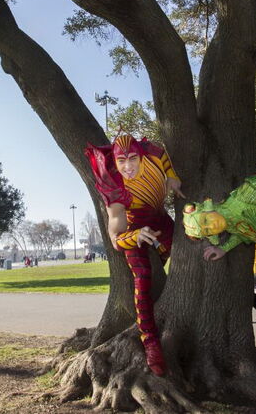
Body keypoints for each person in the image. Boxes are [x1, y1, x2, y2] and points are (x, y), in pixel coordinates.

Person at [85, 133, 184, 376]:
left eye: (132, 159)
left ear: (140, 155)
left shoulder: (152, 151)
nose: (128, 166)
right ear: (115, 163)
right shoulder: (114, 187)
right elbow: (116, 239)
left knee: (185, 248)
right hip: (133, 226)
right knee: (143, 278)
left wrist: (172, 176)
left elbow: (163, 155)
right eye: (122, 161)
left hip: (161, 217)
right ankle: (150, 341)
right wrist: (135, 236)